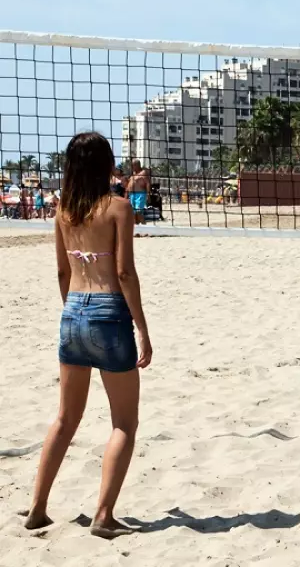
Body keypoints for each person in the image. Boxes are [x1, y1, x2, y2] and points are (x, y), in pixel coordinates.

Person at [24, 132, 152, 539]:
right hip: (109, 312)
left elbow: (62, 272)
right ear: (106, 165)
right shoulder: (118, 208)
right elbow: (124, 272)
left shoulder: (63, 211)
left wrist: (74, 311)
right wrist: (142, 328)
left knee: (65, 419)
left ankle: (37, 507)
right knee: (124, 424)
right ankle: (103, 514)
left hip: (72, 310)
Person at [125, 160, 150, 225]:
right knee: (133, 214)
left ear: (137, 165)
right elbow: (129, 185)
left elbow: (148, 183)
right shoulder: (133, 173)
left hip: (140, 194)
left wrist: (148, 195)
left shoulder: (143, 172)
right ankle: (137, 228)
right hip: (132, 195)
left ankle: (145, 227)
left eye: (132, 165)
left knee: (139, 212)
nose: (131, 167)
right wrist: (126, 195)